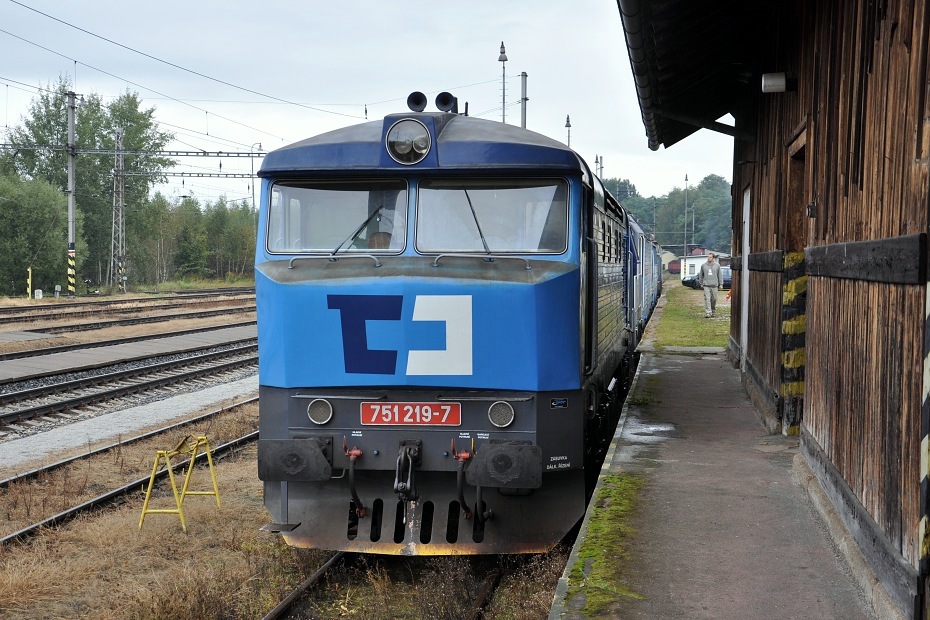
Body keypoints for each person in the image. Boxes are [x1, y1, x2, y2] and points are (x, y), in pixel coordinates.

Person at [697, 252, 722, 318]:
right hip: (706, 285)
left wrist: (721, 284)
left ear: (713, 258)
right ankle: (708, 312)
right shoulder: (703, 265)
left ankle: (713, 311)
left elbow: (720, 275)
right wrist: (701, 283)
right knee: (707, 299)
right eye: (708, 257)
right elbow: (701, 275)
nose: (709, 258)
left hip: (714, 285)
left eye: (710, 257)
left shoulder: (717, 266)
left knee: (714, 299)